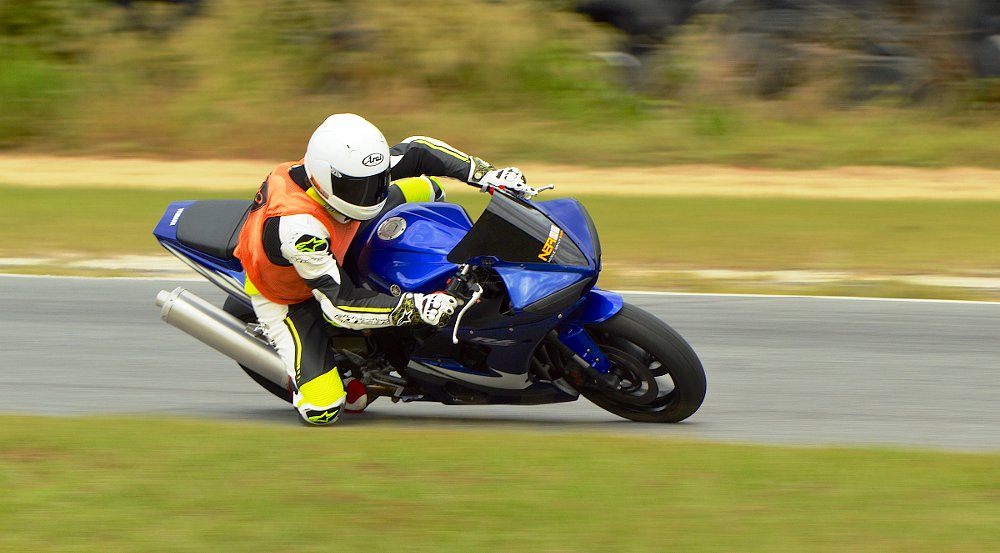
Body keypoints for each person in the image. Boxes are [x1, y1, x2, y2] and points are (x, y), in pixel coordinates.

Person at [233, 113, 527, 425]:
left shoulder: (351, 172)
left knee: (429, 190)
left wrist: (486, 174)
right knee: (325, 409)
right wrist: (418, 307)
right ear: (326, 178)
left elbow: (418, 150)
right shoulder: (298, 228)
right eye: (361, 188)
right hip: (291, 293)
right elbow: (340, 304)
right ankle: (308, 372)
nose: (372, 194)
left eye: (378, 182)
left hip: (340, 228)